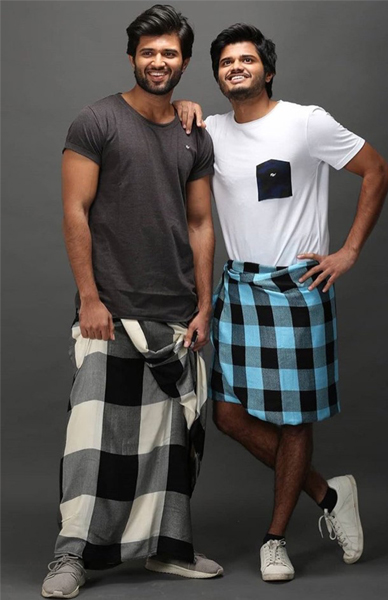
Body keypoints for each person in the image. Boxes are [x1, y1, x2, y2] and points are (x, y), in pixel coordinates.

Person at [174, 23, 388, 582]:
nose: (236, 67)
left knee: (295, 421)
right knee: (228, 416)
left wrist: (349, 251)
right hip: (240, 289)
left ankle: (275, 540)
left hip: (298, 289)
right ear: (218, 75)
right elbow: (171, 129)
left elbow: (378, 170)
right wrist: (183, 106)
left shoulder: (306, 122)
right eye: (226, 62)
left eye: (247, 59)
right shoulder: (210, 132)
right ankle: (330, 494)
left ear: (267, 70)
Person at [41, 5, 224, 598]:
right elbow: (75, 211)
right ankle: (71, 556)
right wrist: (89, 298)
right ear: (132, 57)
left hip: (175, 314)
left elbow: (201, 223)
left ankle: (168, 550)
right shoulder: (96, 120)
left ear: (185, 62)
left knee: (170, 448)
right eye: (148, 52)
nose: (158, 61)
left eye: (169, 52)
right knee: (92, 442)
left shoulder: (193, 133)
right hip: (110, 310)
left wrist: (203, 306)